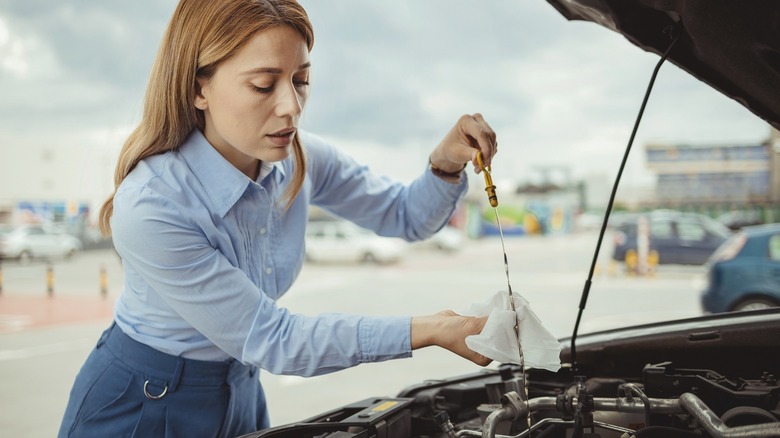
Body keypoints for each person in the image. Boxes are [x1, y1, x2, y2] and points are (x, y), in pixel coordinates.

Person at [58, 0, 499, 436]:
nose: (292, 106)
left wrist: (445, 164)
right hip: (142, 405)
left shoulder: (300, 158)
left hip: (241, 390)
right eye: (264, 85)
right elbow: (276, 339)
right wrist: (433, 329)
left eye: (301, 80)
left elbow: (406, 216)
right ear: (198, 88)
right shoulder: (152, 205)